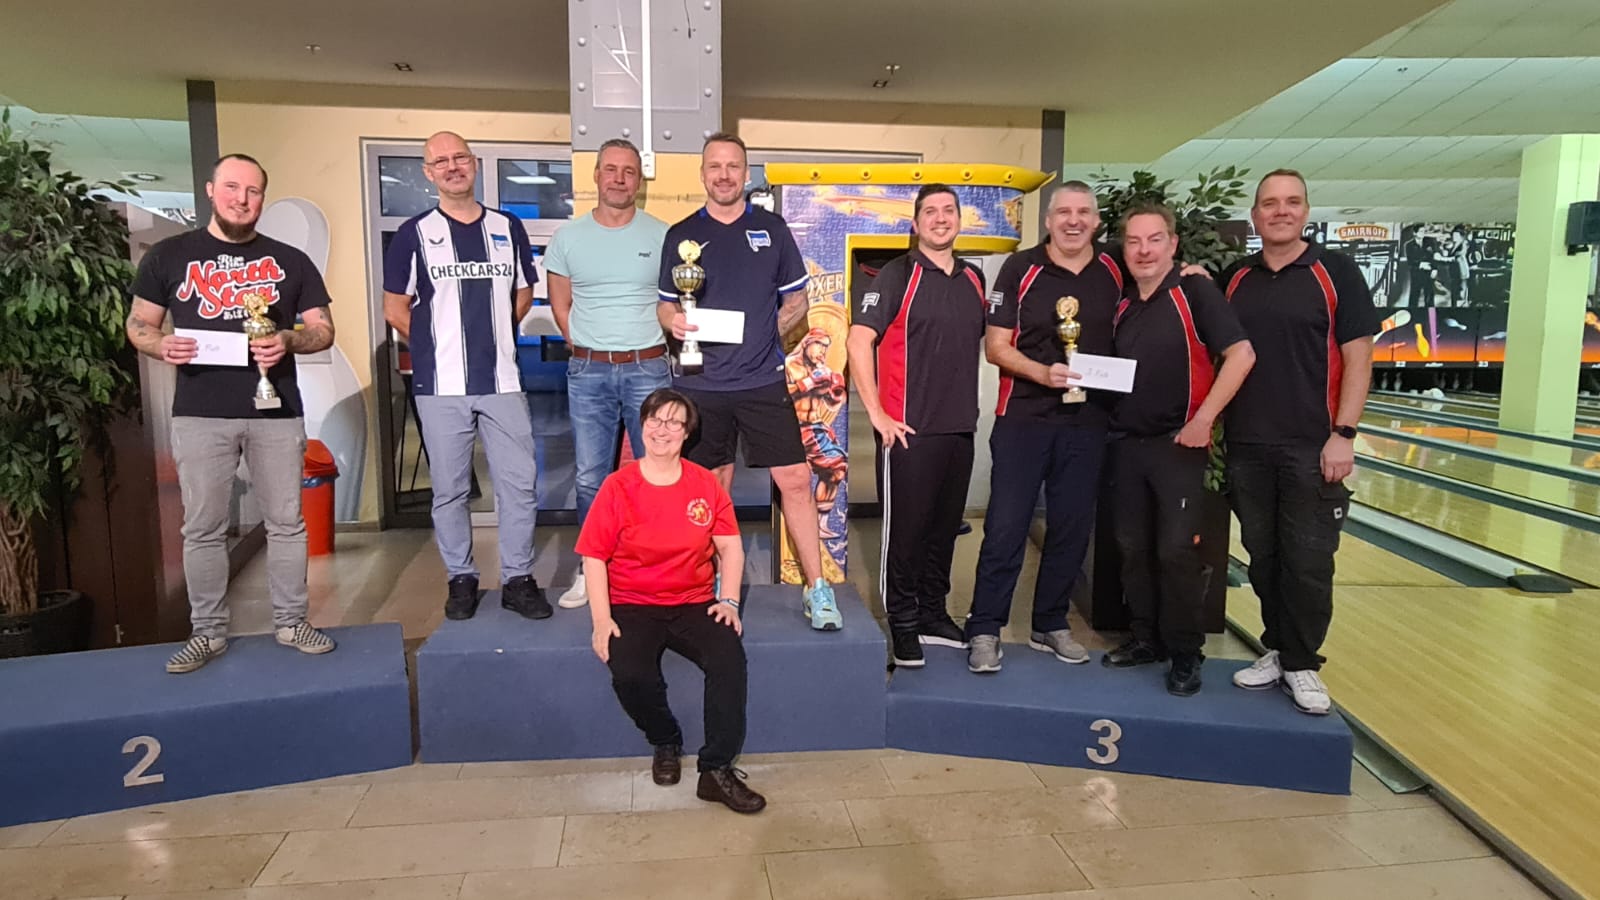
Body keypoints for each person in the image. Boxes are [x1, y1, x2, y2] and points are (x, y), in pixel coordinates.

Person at [126, 153, 339, 673]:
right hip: (200, 413)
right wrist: (160, 345)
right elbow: (138, 324)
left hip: (277, 411)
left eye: (253, 191)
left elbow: (323, 330)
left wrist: (289, 338)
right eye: (232, 188)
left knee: (287, 524)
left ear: (262, 197)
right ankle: (207, 632)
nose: (241, 199)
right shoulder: (169, 256)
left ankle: (291, 622)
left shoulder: (291, 261)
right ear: (211, 190)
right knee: (202, 528)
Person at [657, 132, 841, 630]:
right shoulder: (681, 235)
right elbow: (666, 304)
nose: (724, 175)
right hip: (701, 382)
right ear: (703, 174)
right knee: (712, 486)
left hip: (762, 379)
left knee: (795, 480)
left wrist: (764, 335)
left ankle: (817, 588)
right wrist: (674, 323)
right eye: (715, 166)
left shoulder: (772, 229)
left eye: (733, 166)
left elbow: (797, 300)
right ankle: (715, 580)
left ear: (745, 173)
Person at [1221, 169, 1379, 715]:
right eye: (1270, 203)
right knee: (1264, 558)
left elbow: (1359, 358)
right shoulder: (1236, 277)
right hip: (1248, 444)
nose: (1280, 211)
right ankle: (1280, 649)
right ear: (1255, 215)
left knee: (1308, 560)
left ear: (1306, 211)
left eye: (1291, 202)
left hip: (1312, 445)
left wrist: (1344, 434)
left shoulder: (1336, 272)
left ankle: (1303, 662)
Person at [382, 131, 549, 622]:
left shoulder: (507, 226)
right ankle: (461, 578)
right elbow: (395, 307)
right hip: (440, 386)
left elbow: (523, 293)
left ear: (473, 164)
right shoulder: (413, 233)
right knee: (450, 490)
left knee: (519, 485)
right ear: (428, 172)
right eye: (441, 161)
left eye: (460, 158)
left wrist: (492, 336)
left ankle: (518, 578)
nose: (452, 167)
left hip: (502, 382)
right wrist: (435, 345)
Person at [578, 388, 765, 814]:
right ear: (642, 425)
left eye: (673, 422)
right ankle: (664, 739)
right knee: (629, 672)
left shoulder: (704, 484)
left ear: (687, 433)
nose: (662, 430)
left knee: (728, 660)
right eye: (654, 420)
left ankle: (716, 770)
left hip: (693, 600)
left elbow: (730, 547)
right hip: (632, 601)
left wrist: (729, 600)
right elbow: (594, 557)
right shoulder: (618, 486)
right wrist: (602, 620)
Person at [963, 181, 1124, 674]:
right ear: (1049, 220)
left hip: (1089, 422)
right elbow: (996, 346)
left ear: (1096, 221)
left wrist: (1195, 273)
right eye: (1064, 213)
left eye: (1083, 212)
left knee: (1071, 528)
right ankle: (984, 627)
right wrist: (1042, 373)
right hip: (1024, 419)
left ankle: (1050, 623)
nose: (1073, 221)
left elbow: (1161, 281)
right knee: (1006, 527)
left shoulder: (1116, 267)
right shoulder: (1021, 268)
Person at [1101, 202, 1255, 696]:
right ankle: (1146, 638)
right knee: (1132, 548)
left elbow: (1242, 354)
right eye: (1134, 241)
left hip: (1178, 445)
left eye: (1154, 239)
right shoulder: (1124, 302)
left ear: (1173, 243)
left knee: (1175, 551)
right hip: (1126, 445)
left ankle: (1186, 652)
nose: (1144, 250)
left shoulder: (1194, 291)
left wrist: (1203, 420)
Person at [845, 184, 987, 669]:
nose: (940, 219)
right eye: (930, 212)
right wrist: (877, 413)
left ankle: (933, 613)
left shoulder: (973, 278)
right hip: (907, 432)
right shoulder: (897, 275)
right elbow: (858, 341)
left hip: (959, 429)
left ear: (959, 220)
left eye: (948, 211)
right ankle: (903, 624)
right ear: (915, 223)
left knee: (944, 533)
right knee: (905, 536)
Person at [545, 138, 672, 609]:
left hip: (649, 368)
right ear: (596, 175)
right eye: (611, 169)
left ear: (639, 181)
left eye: (629, 171)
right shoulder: (568, 238)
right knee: (590, 478)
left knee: (656, 472)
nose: (619, 178)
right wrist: (586, 346)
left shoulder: (663, 236)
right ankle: (591, 569)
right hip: (589, 372)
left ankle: (652, 569)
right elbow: (561, 305)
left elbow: (675, 302)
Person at [785, 327, 848, 539]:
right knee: (795, 479)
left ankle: (820, 524)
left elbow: (832, 403)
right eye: (818, 345)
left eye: (825, 347)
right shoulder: (790, 365)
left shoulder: (823, 370)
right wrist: (808, 382)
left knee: (837, 469)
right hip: (793, 426)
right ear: (807, 343)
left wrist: (835, 391)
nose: (822, 351)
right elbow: (782, 394)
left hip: (815, 427)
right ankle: (802, 526)